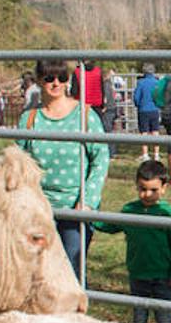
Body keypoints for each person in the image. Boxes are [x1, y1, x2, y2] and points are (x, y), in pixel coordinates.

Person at [16, 59, 111, 280]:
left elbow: (100, 158)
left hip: (75, 208)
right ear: (39, 81)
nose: (56, 83)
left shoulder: (86, 116)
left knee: (70, 272)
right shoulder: (29, 119)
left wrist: (87, 200)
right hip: (38, 209)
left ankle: (69, 314)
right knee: (37, 272)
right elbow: (19, 162)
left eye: (62, 77)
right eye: (49, 78)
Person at [94, 159, 171, 323]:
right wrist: (92, 217)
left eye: (154, 190)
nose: (147, 194)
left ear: (164, 188)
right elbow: (112, 226)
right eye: (143, 189)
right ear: (136, 186)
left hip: (161, 274)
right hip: (137, 273)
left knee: (163, 316)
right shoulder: (129, 210)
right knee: (139, 316)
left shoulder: (166, 213)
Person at [132, 63, 162, 160]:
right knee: (155, 131)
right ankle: (156, 154)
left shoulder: (141, 82)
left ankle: (145, 154)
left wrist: (138, 105)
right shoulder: (157, 82)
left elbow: (136, 97)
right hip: (154, 109)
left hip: (143, 110)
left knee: (144, 132)